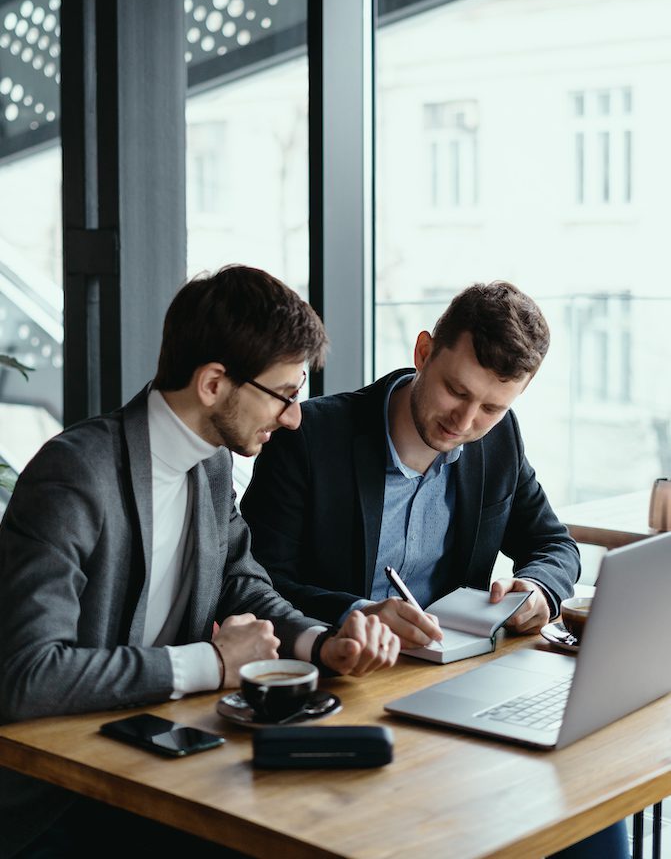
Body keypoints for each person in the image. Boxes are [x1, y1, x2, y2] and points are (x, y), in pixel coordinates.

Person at [0, 264, 399, 859]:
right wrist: (212, 662)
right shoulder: (76, 474)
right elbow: (27, 679)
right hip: (61, 798)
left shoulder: (210, 462)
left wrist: (321, 644)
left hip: (160, 761)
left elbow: (241, 582)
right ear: (214, 383)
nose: (293, 418)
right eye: (285, 395)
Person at [241, 279, 631, 859]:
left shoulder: (498, 442)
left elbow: (553, 543)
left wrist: (540, 591)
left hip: (455, 689)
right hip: (347, 699)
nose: (466, 422)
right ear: (423, 352)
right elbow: (256, 582)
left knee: (591, 806)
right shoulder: (310, 438)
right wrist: (358, 613)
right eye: (456, 390)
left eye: (493, 407)